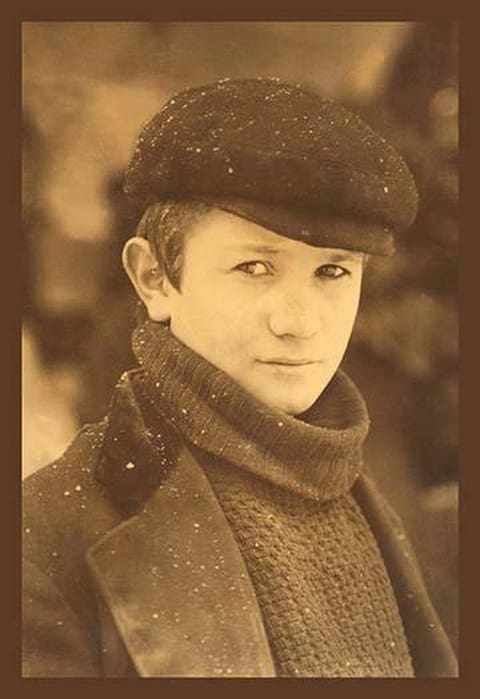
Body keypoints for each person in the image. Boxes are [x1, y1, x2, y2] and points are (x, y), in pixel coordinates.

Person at [22, 77, 458, 678]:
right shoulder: (42, 535)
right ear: (153, 278)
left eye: (332, 272)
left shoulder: (367, 479)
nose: (300, 323)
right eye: (254, 267)